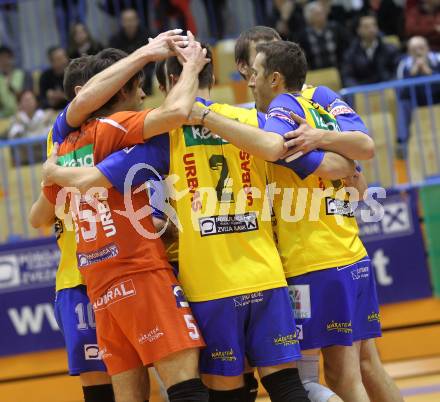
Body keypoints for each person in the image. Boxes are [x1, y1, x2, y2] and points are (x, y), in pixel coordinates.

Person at [42, 42, 312, 402]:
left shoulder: (154, 137)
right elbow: (291, 154)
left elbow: (67, 195)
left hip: (201, 283)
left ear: (168, 83)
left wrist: (53, 173)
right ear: (214, 77)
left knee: (217, 392)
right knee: (291, 385)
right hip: (263, 271)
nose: (142, 94)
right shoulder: (249, 119)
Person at [193, 39, 404, 402]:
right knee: (365, 365)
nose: (251, 79)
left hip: (312, 264)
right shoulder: (318, 98)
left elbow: (339, 156)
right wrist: (339, 155)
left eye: (257, 71)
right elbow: (356, 165)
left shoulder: (277, 116)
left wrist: (205, 117)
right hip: (350, 255)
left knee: (323, 378)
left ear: (272, 75)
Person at [31, 31, 211, 402]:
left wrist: (53, 175)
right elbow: (176, 112)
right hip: (139, 272)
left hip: (99, 282)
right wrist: (191, 65)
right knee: (187, 388)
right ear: (122, 91)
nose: (143, 96)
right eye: (138, 89)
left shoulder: (62, 143)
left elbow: (38, 216)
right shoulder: (115, 130)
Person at [30, 56, 116, 402]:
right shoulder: (62, 138)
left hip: (120, 271)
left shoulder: (109, 133)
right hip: (80, 277)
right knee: (102, 385)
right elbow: (39, 217)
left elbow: (40, 215)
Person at [396, 35, 440, 158]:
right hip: (415, 100)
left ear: (428, 48)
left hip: (436, 97)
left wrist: (429, 72)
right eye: (414, 49)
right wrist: (413, 72)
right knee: (402, 103)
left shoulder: (437, 59)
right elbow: (401, 90)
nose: (418, 52)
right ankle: (402, 142)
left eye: (421, 48)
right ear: (409, 51)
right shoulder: (404, 64)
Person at [341, 14, 400, 87]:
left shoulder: (390, 49)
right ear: (358, 30)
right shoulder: (351, 54)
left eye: (374, 25)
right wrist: (358, 91)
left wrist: (391, 85)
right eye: (366, 27)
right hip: (363, 93)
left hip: (387, 91)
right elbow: (347, 77)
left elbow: (397, 71)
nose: (371, 29)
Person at [109, 9, 154, 94]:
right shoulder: (114, 40)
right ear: (122, 22)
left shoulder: (147, 36)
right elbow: (112, 61)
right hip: (123, 74)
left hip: (145, 74)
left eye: (132, 20)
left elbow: (153, 59)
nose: (129, 23)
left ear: (137, 21)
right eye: (126, 20)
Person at [297, 2, 349, 70]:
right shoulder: (303, 35)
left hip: (338, 69)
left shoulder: (336, 28)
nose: (322, 16)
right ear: (310, 18)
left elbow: (347, 47)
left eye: (322, 13)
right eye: (317, 14)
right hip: (315, 71)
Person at [0, 45, 32, 118]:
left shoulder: (24, 74)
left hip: (24, 115)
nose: (3, 61)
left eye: (5, 58)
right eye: (1, 59)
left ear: (11, 58)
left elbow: (27, 95)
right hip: (4, 116)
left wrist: (11, 88)